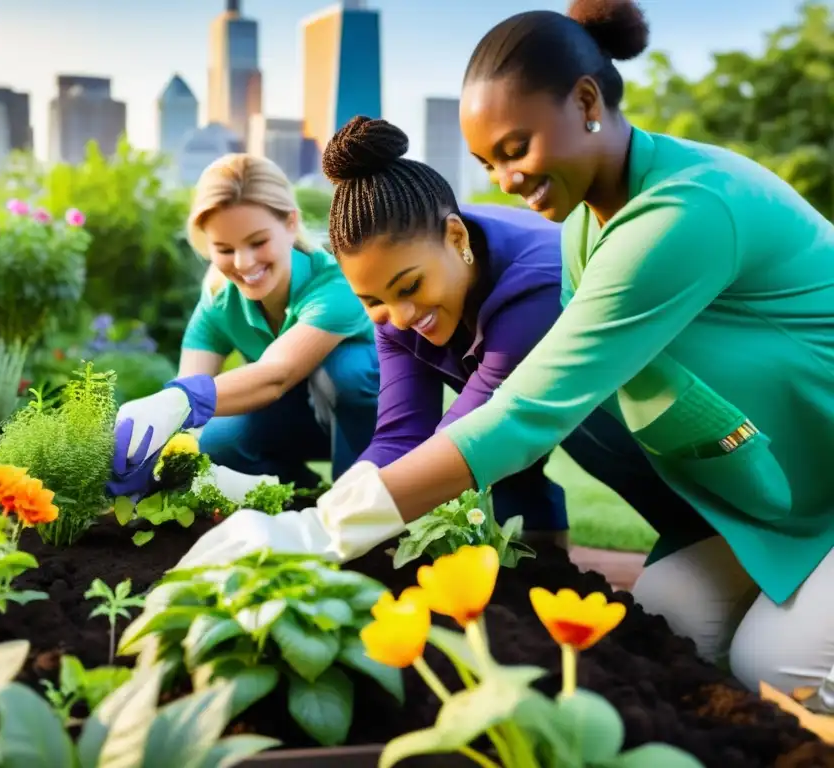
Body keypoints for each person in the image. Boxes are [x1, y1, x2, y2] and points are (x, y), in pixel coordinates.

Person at [175, 0, 834, 696]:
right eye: (491, 162)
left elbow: (524, 413)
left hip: (818, 477)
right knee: (659, 627)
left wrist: (320, 529)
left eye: (517, 149)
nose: (508, 181)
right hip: (785, 497)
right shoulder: (588, 225)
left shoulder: (683, 213)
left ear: (586, 102)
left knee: (776, 667)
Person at [321, 115, 708, 551]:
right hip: (523, 419)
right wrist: (337, 500)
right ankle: (543, 549)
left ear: (455, 236)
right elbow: (401, 434)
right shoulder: (396, 298)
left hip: (660, 437)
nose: (401, 315)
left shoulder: (539, 281)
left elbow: (465, 441)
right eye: (371, 300)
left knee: (692, 553)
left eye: (409, 288)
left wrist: (321, 532)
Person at [108, 154, 378, 498]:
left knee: (349, 372)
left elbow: (276, 375)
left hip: (369, 423)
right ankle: (299, 497)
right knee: (219, 439)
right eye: (224, 248)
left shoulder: (335, 282)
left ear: (290, 223)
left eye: (257, 242)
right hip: (297, 425)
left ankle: (359, 496)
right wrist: (148, 455)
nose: (243, 263)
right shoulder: (220, 301)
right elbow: (190, 396)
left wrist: (180, 401)